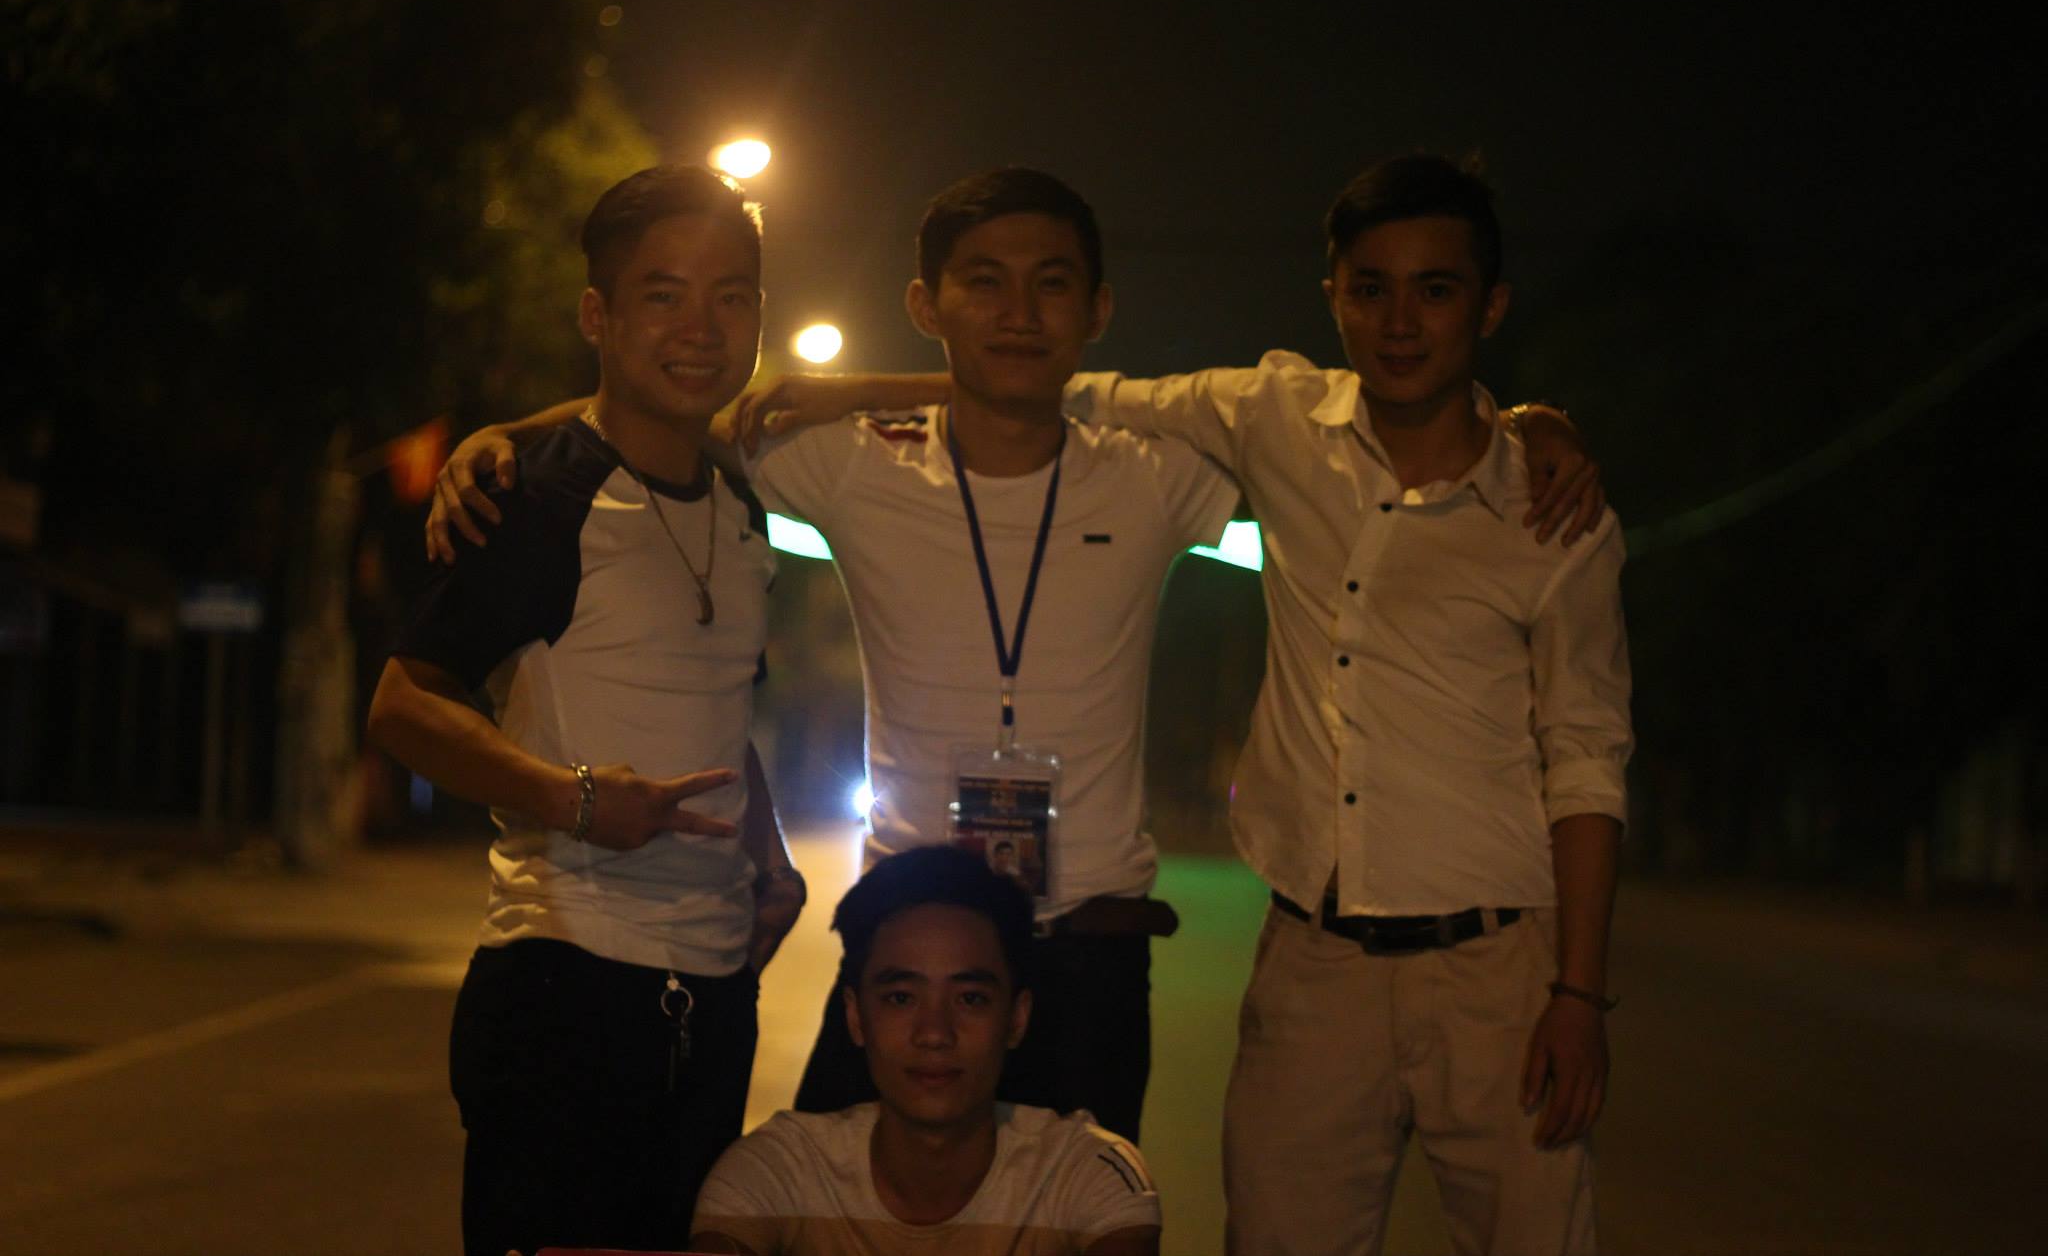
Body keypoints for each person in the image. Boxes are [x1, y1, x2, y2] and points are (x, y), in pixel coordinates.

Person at [427, 168, 1605, 1145]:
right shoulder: (847, 463)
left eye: (1050, 285)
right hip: (904, 938)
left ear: (1097, 309)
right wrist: (503, 436)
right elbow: (667, 407)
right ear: (925, 303)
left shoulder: (1162, 475)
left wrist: (1523, 424)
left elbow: (1373, 440)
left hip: (1091, 956)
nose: (1016, 312)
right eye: (981, 283)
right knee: (833, 1217)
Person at [1059, 154, 1633, 1255]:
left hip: (1500, 977)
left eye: (1435, 290)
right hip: (1313, 967)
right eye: (1370, 288)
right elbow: (1058, 387)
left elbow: (1587, 762)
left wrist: (1578, 995)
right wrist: (831, 397)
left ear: (1489, 306)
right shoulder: (1272, 415)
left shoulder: (1554, 518)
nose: (1399, 321)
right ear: (1332, 297)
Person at [365, 164, 806, 1256]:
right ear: (597, 317)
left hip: (715, 995)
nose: (701, 327)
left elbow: (716, 709)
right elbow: (403, 704)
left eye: (732, 295)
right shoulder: (537, 496)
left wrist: (770, 851)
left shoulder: (744, 507)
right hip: (563, 986)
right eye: (664, 295)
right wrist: (574, 800)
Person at [689, 845, 1163, 1255]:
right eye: (901, 998)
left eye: (970, 999)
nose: (934, 1033)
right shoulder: (776, 1173)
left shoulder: (1086, 1175)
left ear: (1017, 1018)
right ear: (855, 1017)